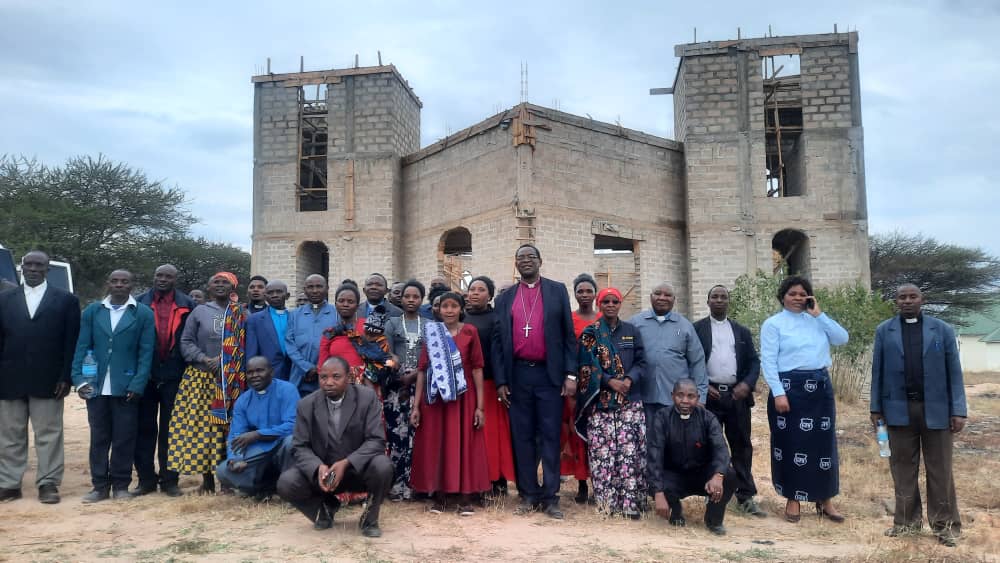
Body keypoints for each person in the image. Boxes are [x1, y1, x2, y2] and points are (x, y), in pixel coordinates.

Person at [871, 284, 966, 547]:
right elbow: (877, 372)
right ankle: (905, 523)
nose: (907, 301)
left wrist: (958, 410)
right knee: (902, 469)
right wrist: (875, 409)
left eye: (912, 297)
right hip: (898, 411)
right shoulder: (884, 331)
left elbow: (954, 373)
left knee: (941, 470)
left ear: (922, 300)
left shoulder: (942, 330)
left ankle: (945, 526)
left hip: (938, 411)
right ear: (896, 301)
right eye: (902, 297)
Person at [492, 244, 577, 519]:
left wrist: (571, 374)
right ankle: (527, 494)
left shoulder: (557, 290)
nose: (525, 261)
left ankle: (551, 497)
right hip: (518, 375)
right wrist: (501, 380)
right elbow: (497, 342)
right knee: (523, 438)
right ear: (515, 264)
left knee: (551, 436)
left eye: (530, 257)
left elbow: (568, 337)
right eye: (520, 258)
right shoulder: (505, 298)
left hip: (548, 375)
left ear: (541, 261)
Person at [761, 275, 848, 523]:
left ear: (809, 296)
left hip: (819, 389)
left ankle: (825, 499)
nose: (798, 298)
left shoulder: (818, 321)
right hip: (789, 389)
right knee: (791, 445)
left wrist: (819, 314)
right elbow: (768, 361)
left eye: (802, 294)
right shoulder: (773, 324)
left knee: (823, 446)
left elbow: (842, 339)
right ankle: (793, 499)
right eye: (792, 294)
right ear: (783, 296)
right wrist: (778, 392)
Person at [277, 357, 392, 537]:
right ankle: (325, 507)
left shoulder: (366, 398)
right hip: (325, 475)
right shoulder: (306, 404)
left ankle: (370, 518)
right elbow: (299, 446)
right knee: (286, 482)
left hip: (357, 470)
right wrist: (318, 467)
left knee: (383, 466)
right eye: (323, 377)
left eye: (336, 377)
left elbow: (376, 440)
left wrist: (346, 463)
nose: (329, 382)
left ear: (349, 377)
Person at [0, 250, 81, 504]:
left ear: (48, 269)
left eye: (39, 265)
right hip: (9, 378)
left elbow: (71, 343)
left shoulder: (66, 300)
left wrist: (65, 377)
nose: (33, 269)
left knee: (49, 434)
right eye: (29, 264)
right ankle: (10, 483)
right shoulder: (4, 299)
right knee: (10, 435)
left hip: (49, 379)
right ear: (21, 267)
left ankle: (48, 483)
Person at [71, 269, 155, 502]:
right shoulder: (92, 311)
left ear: (132, 285)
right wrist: (79, 380)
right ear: (108, 283)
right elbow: (81, 346)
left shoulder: (143, 314)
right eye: (115, 281)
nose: (119, 284)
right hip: (95, 386)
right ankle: (99, 486)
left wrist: (138, 383)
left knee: (124, 438)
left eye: (124, 281)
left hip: (126, 386)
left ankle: (120, 485)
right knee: (99, 437)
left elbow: (146, 353)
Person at [410, 292, 490, 514]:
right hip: (436, 399)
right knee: (438, 442)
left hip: (464, 397)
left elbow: (477, 368)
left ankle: (465, 497)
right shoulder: (433, 333)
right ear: (438, 309)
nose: (449, 310)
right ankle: (439, 496)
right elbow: (422, 370)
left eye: (454, 306)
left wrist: (480, 406)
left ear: (461, 309)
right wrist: (416, 406)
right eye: (445, 306)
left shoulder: (470, 332)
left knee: (464, 442)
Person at [167, 272, 247, 494]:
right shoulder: (199, 311)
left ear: (233, 287)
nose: (220, 285)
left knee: (226, 428)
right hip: (201, 380)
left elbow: (245, 343)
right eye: (216, 282)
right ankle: (208, 480)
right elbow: (186, 341)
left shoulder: (240, 312)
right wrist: (204, 359)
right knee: (205, 430)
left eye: (225, 282)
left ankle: (227, 480)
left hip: (230, 382)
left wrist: (226, 361)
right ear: (209, 287)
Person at [693, 285, 765, 517]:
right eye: (715, 296)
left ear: (728, 302)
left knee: (741, 446)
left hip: (737, 397)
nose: (719, 300)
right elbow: (691, 361)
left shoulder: (741, 331)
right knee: (709, 446)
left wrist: (746, 384)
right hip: (709, 397)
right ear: (708, 301)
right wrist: (704, 386)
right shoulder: (697, 329)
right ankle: (711, 494)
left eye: (723, 297)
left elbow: (754, 361)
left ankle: (745, 496)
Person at [575, 287, 646, 518]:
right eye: (605, 301)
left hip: (629, 402)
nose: (611, 305)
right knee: (603, 455)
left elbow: (642, 361)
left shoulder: (632, 331)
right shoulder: (590, 333)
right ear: (599, 304)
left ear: (620, 304)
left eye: (615, 301)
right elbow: (585, 366)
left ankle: (630, 505)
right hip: (601, 404)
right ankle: (607, 504)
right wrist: (608, 381)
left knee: (629, 453)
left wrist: (628, 379)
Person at [134, 264, 195, 497]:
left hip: (175, 376)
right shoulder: (138, 302)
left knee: (172, 431)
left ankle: (170, 480)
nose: (162, 279)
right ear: (153, 276)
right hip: (145, 376)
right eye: (159, 275)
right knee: (145, 429)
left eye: (168, 276)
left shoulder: (188, 305)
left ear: (175, 279)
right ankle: (146, 480)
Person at [646, 378, 735, 535]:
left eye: (690, 396)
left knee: (730, 474)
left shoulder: (708, 418)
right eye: (680, 395)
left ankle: (713, 520)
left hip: (703, 476)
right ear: (672, 396)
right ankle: (676, 510)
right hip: (673, 477)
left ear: (698, 398)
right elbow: (655, 455)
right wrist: (658, 493)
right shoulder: (661, 418)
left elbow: (721, 449)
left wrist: (718, 475)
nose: (685, 401)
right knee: (652, 478)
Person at [216, 356, 298, 500]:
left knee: (292, 442)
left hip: (282, 444)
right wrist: (235, 459)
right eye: (250, 372)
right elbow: (237, 434)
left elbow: (293, 426)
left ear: (271, 372)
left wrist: (258, 434)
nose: (254, 375)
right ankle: (263, 488)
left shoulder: (287, 390)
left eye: (260, 371)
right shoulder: (243, 400)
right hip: (260, 450)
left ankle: (290, 488)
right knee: (223, 471)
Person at [464, 275, 515, 497]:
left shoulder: (497, 319)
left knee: (493, 435)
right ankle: (473, 479)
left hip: (490, 383)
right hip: (465, 385)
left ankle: (497, 479)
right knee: (470, 434)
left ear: (490, 295)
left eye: (481, 289)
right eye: (472, 289)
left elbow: (500, 354)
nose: (474, 292)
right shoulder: (460, 318)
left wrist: (502, 382)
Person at [628, 283, 707, 425]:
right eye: (658, 293)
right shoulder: (635, 323)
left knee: (675, 442)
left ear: (674, 299)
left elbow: (697, 362)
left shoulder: (685, 326)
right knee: (648, 441)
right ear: (650, 297)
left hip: (676, 399)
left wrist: (700, 397)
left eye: (668, 295)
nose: (662, 298)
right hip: (643, 398)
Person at [382, 280, 426, 501]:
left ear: (421, 299)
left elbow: (431, 357)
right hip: (396, 387)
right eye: (407, 296)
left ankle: (416, 483)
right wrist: (394, 364)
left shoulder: (429, 325)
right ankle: (396, 484)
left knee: (417, 435)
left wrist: (418, 373)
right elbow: (386, 354)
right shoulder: (391, 323)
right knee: (396, 435)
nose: (410, 300)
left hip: (421, 385)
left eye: (415, 296)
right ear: (401, 299)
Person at [564, 273, 600, 503]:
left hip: (598, 385)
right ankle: (581, 484)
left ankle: (599, 482)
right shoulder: (569, 320)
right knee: (576, 432)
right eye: (580, 291)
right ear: (575, 294)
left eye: (589, 291)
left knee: (597, 434)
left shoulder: (602, 318)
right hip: (574, 384)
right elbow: (565, 350)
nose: (585, 295)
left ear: (595, 294)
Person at [318, 284, 393, 389]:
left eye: (350, 301)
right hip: (338, 387)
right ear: (335, 304)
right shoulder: (329, 333)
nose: (345, 304)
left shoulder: (369, 327)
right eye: (341, 301)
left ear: (357, 306)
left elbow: (383, 355)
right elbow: (322, 366)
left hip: (369, 385)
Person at [286, 274, 336, 397]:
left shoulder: (336, 313)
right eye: (310, 287)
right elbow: (289, 344)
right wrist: (306, 367)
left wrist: (319, 368)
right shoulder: (295, 315)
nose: (315, 290)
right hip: (299, 374)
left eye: (319, 286)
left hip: (328, 374)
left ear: (327, 288)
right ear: (304, 290)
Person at [246, 280, 292, 382]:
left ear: (287, 295)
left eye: (279, 292)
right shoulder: (255, 320)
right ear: (265, 296)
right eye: (270, 293)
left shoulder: (294, 317)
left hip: (293, 374)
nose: (274, 295)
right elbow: (251, 352)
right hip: (267, 375)